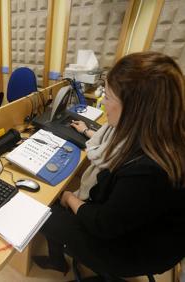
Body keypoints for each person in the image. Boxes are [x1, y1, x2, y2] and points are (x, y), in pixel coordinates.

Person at [34, 52, 185, 278]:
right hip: (144, 229)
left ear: (134, 109)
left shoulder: (148, 169)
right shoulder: (161, 134)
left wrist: (69, 198)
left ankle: (59, 261)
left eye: (109, 96)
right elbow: (112, 145)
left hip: (132, 250)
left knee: (46, 214)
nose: (103, 101)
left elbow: (102, 225)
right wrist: (86, 131)